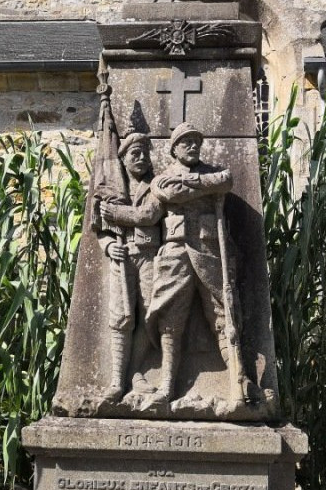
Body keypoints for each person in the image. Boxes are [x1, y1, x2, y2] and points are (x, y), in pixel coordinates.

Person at [145, 122, 253, 406]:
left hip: (209, 250)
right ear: (174, 149)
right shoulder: (163, 178)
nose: (193, 145)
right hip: (176, 251)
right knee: (170, 320)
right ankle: (166, 385)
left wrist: (195, 184)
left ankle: (238, 382)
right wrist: (203, 188)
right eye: (186, 142)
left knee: (223, 314)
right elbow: (167, 193)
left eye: (196, 141)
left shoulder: (214, 172)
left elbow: (226, 180)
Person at [97, 132, 164, 402]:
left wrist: (116, 214)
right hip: (122, 256)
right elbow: (99, 227)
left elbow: (150, 215)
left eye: (144, 152)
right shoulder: (112, 188)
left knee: (151, 314)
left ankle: (136, 371)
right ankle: (116, 380)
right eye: (134, 153)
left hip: (150, 255)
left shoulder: (157, 184)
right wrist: (107, 246)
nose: (141, 158)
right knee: (121, 317)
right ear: (122, 159)